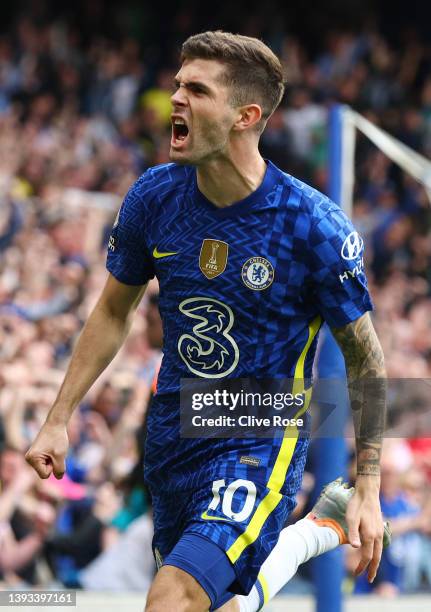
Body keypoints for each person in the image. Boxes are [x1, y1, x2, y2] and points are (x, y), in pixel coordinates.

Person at [26, 31, 389, 611]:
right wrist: (58, 417)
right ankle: (311, 535)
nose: (175, 98)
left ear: (246, 116)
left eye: (196, 90)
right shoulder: (155, 197)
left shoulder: (311, 224)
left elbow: (366, 359)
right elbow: (113, 310)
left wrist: (369, 483)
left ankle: (318, 526)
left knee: (174, 599)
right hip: (175, 428)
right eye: (177, 84)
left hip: (262, 431)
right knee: (214, 604)